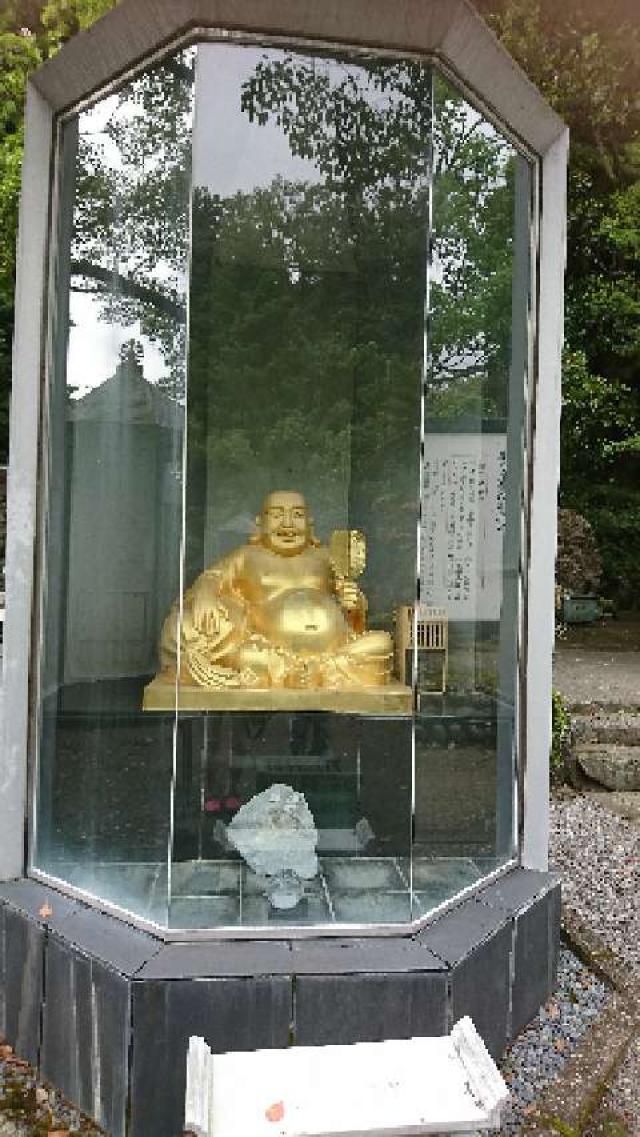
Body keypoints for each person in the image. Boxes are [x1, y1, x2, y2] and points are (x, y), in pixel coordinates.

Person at [157, 489, 393, 689]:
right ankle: (296, 672)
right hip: (263, 648)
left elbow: (353, 618)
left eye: (297, 515)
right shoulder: (248, 556)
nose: (287, 524)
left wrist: (355, 605)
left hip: (333, 649)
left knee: (381, 643)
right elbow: (213, 577)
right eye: (277, 515)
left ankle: (317, 670)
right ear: (260, 524)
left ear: (310, 524)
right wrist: (206, 595)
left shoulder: (325, 558)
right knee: (190, 629)